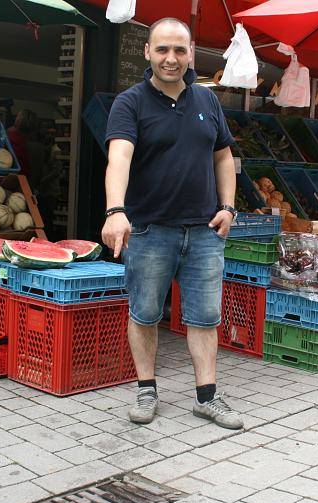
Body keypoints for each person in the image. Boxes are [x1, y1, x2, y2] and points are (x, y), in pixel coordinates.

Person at [102, 17, 241, 430]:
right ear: (147, 52)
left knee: (204, 317)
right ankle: (147, 389)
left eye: (179, 50)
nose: (171, 58)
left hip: (204, 231)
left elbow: (223, 157)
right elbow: (119, 158)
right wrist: (115, 210)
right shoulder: (130, 102)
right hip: (150, 230)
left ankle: (207, 397)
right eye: (162, 49)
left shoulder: (207, 101)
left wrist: (229, 207)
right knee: (145, 313)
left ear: (191, 54)